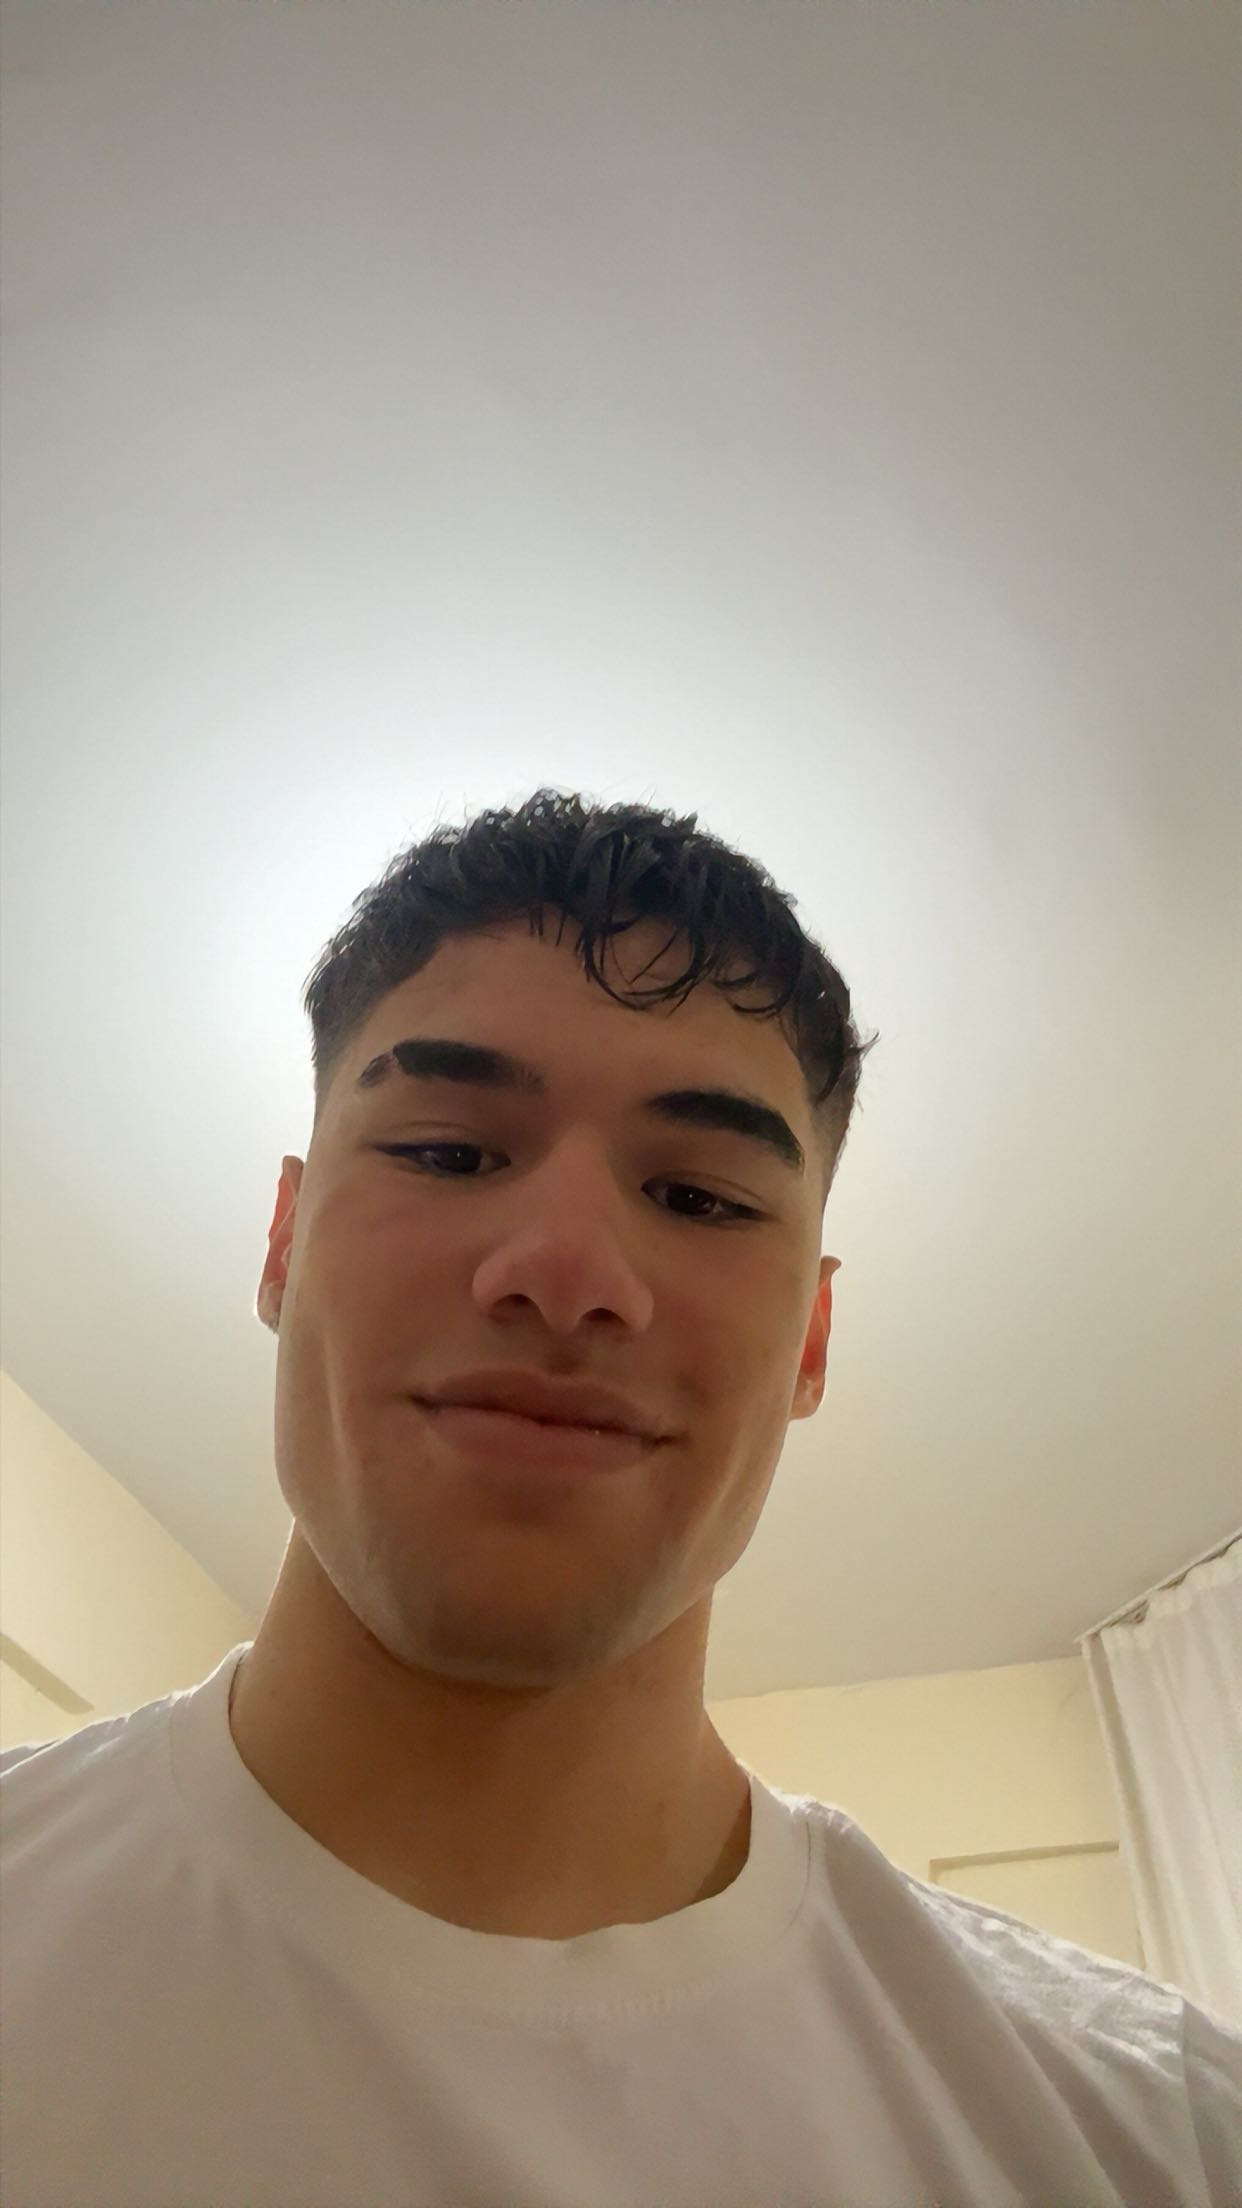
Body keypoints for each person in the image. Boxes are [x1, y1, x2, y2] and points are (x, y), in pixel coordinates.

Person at [2, 788, 1238, 2208]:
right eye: (446, 1152)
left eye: (701, 1199)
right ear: (283, 1244)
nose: (566, 1270)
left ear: (811, 1344)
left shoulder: (1163, 2140)